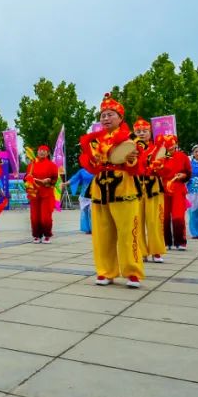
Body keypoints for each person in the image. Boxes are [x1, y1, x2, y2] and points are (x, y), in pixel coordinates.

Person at [80, 93, 143, 288]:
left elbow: (140, 162)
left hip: (124, 186)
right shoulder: (94, 140)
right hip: (100, 188)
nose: (105, 118)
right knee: (102, 233)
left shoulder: (132, 138)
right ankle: (105, 271)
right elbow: (89, 164)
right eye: (103, 115)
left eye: (110, 114)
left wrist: (131, 157)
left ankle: (132, 272)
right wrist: (93, 160)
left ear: (120, 118)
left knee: (127, 232)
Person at [132, 118, 166, 263]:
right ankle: (141, 250)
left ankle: (156, 251)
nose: (141, 134)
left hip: (153, 187)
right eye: (138, 131)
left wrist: (158, 167)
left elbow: (166, 166)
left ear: (150, 132)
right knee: (137, 221)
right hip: (135, 187)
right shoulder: (131, 147)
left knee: (154, 221)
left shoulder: (158, 147)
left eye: (144, 131)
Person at [153, 134, 192, 251]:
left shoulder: (182, 156)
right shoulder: (160, 157)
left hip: (178, 188)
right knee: (163, 216)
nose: (170, 147)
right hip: (163, 188)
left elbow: (188, 172)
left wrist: (183, 175)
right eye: (167, 145)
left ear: (175, 144)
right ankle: (166, 241)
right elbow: (154, 171)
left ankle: (180, 241)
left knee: (178, 216)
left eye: (172, 144)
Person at [25, 145, 59, 244]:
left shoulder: (52, 165)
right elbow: (26, 178)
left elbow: (54, 179)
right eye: (40, 150)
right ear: (37, 152)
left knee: (45, 216)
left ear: (48, 153)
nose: (42, 152)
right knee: (34, 216)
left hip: (46, 193)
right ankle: (36, 235)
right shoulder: (31, 165)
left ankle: (47, 235)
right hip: (34, 193)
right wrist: (29, 179)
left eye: (44, 151)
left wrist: (48, 181)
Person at [65, 166, 95, 234]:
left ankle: (94, 228)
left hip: (94, 194)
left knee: (92, 211)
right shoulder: (82, 171)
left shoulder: (96, 170)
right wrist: (65, 183)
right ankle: (87, 229)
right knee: (85, 211)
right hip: (84, 194)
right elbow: (74, 178)